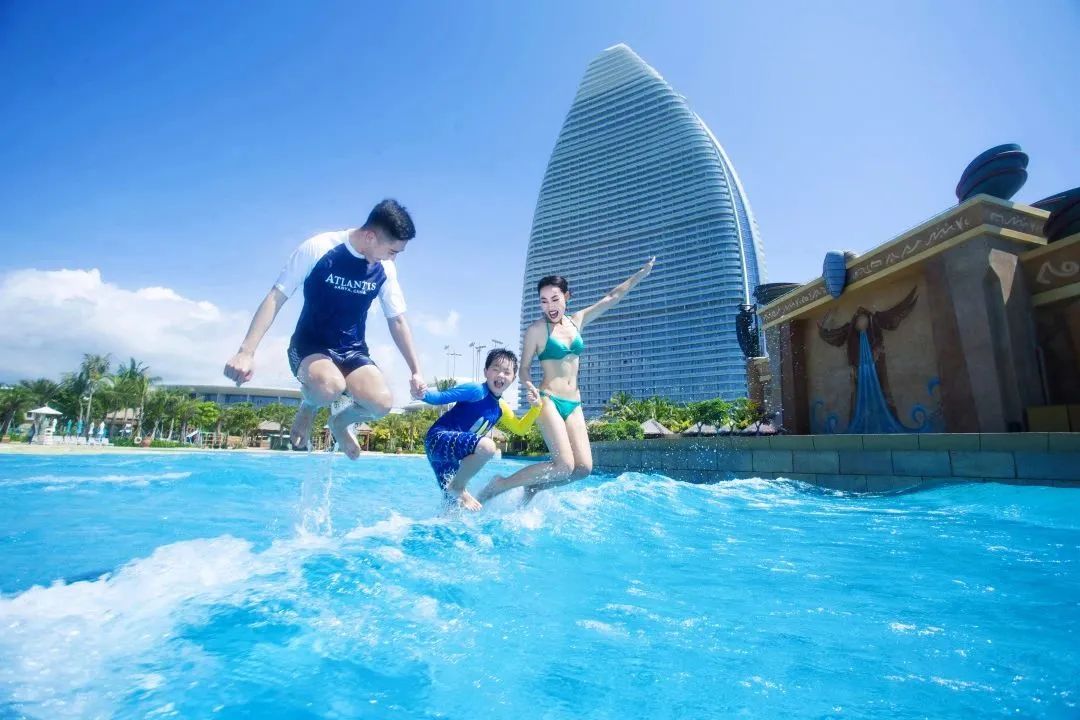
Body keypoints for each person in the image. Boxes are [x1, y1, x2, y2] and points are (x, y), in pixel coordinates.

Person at [223, 199, 426, 458]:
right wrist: (246, 352)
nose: (393, 257)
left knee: (381, 403)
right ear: (370, 236)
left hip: (352, 350)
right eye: (392, 250)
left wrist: (416, 371)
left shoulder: (385, 268)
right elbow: (276, 296)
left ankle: (339, 422)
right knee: (329, 385)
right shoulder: (319, 248)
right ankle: (309, 406)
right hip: (310, 346)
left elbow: (397, 319)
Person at [477, 258, 655, 504]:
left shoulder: (577, 321)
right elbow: (524, 368)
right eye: (543, 301)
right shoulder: (536, 330)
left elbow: (611, 297)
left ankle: (534, 488)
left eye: (555, 299)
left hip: (574, 403)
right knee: (564, 465)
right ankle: (500, 484)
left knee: (582, 469)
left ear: (566, 297)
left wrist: (641, 275)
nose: (549, 306)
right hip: (548, 399)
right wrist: (529, 386)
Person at [420, 349, 541, 510]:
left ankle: (448, 508)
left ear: (512, 379)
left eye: (507, 372)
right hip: (438, 439)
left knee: (454, 508)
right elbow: (441, 397)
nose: (501, 375)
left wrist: (536, 408)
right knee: (488, 447)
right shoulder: (476, 390)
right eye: (495, 369)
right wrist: (422, 394)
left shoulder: (501, 408)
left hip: (451, 457)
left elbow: (520, 429)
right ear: (486, 372)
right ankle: (458, 487)